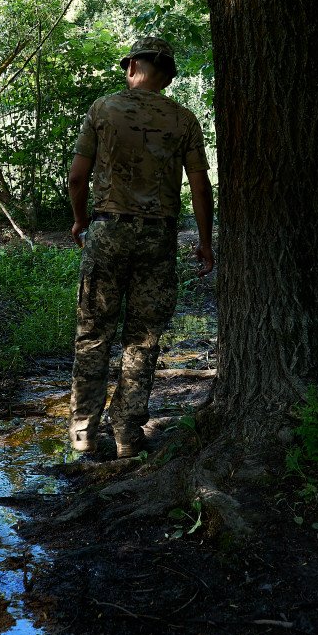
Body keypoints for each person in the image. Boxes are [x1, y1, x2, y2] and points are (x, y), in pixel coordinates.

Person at [67, 37, 215, 458]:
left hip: (108, 232)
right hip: (158, 237)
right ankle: (128, 435)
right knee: (143, 339)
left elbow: (78, 177)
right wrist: (205, 242)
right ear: (167, 75)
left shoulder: (103, 110)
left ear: (133, 66)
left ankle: (82, 434)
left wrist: (80, 220)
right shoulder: (183, 119)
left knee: (93, 335)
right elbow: (200, 185)